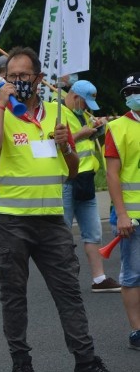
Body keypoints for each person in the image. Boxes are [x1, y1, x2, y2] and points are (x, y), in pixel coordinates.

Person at [0, 46, 123, 372]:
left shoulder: (57, 115)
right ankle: (21, 363)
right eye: (11, 77)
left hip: (52, 220)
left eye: (23, 76)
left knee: (69, 291)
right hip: (11, 219)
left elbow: (71, 170)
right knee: (14, 296)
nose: (17, 82)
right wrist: (1, 103)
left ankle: (85, 362)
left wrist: (66, 146)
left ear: (39, 79)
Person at [63, 80, 120, 292]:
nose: (86, 108)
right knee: (63, 234)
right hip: (67, 181)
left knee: (93, 232)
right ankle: (65, 280)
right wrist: (81, 134)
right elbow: (53, 142)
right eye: (84, 103)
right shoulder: (58, 112)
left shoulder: (84, 115)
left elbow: (88, 139)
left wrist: (96, 129)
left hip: (86, 180)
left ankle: (99, 279)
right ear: (76, 97)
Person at [104, 72, 140, 350]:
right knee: (133, 274)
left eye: (136, 90)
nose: (132, 96)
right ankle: (137, 331)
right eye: (128, 92)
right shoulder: (116, 128)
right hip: (133, 216)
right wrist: (122, 214)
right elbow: (113, 175)